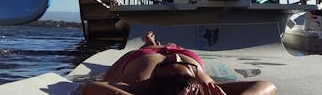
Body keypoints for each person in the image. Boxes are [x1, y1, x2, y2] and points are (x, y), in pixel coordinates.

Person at [80, 31, 277, 95]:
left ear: (151, 81)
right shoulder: (204, 88)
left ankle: (151, 43)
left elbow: (90, 88)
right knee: (173, 46)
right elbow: (267, 86)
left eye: (164, 65)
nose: (173, 57)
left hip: (143, 56)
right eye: (188, 68)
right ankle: (155, 42)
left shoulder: (137, 86)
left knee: (146, 48)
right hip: (187, 55)